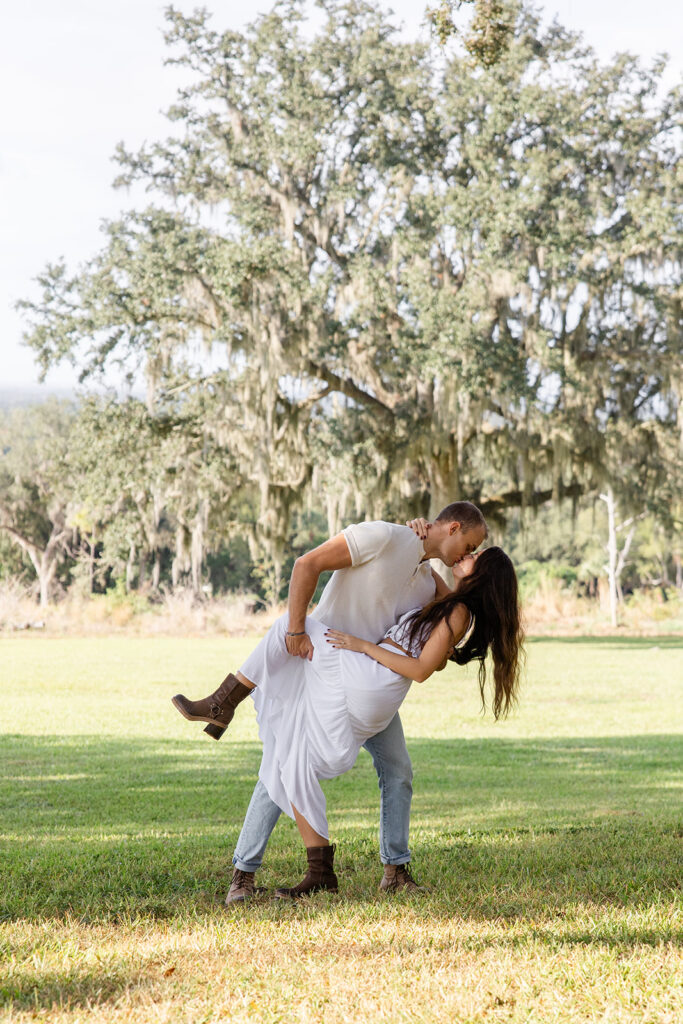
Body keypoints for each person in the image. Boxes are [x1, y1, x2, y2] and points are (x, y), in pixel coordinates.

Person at [173, 502, 488, 903]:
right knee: (284, 758)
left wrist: (449, 564)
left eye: (474, 553)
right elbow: (307, 564)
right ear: (454, 526)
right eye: (469, 544)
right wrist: (296, 629)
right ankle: (244, 875)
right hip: (320, 664)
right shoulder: (383, 536)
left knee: (395, 769)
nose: (468, 555)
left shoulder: (429, 585)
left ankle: (394, 869)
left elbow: (453, 623)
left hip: (364, 681)